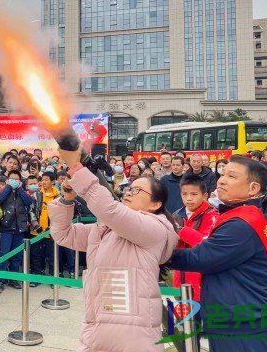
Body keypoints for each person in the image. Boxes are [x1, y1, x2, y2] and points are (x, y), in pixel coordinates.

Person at [49, 147, 178, 352]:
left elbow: (110, 211)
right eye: (129, 189)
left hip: (133, 335)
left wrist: (76, 168)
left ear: (155, 204)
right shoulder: (107, 229)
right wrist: (66, 199)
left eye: (137, 191)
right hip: (97, 327)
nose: (129, 192)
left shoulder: (155, 228)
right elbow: (63, 234)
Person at [170, 156, 267, 351]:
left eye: (231, 176)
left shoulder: (241, 225)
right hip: (241, 317)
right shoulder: (244, 217)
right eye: (222, 174)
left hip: (241, 325)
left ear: (253, 188)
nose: (221, 180)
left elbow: (201, 258)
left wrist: (158, 254)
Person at [171, 175, 218, 301]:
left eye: (194, 194)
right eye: (184, 194)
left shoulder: (212, 215)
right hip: (180, 279)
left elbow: (207, 245)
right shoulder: (176, 215)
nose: (189, 198)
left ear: (205, 196)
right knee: (181, 311)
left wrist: (182, 231)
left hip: (202, 283)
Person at [0, 169, 34, 294]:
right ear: (7, 180)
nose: (14, 181)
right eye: (12, 179)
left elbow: (29, 201)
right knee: (3, 255)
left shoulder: (22, 192)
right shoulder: (3, 191)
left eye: (17, 179)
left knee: (17, 256)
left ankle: (13, 278)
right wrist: (8, 187)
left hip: (19, 228)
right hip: (6, 227)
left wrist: (20, 189)